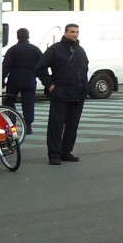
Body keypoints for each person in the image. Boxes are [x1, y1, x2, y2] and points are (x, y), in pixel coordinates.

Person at [36, 22, 89, 165]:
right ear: (65, 33)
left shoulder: (80, 50)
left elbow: (84, 68)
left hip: (78, 93)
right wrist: (50, 85)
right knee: (56, 125)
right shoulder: (55, 49)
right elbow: (40, 68)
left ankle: (66, 152)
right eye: (72, 32)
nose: (75, 34)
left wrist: (85, 86)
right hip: (61, 93)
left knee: (72, 125)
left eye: (77, 32)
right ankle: (54, 154)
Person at [2, 27, 43, 136]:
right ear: (28, 36)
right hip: (29, 80)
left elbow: (6, 66)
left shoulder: (12, 50)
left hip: (14, 80)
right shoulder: (35, 49)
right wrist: (46, 81)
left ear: (17, 36)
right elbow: (42, 66)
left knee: (9, 101)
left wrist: (2, 79)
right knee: (28, 103)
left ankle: (12, 123)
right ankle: (28, 127)